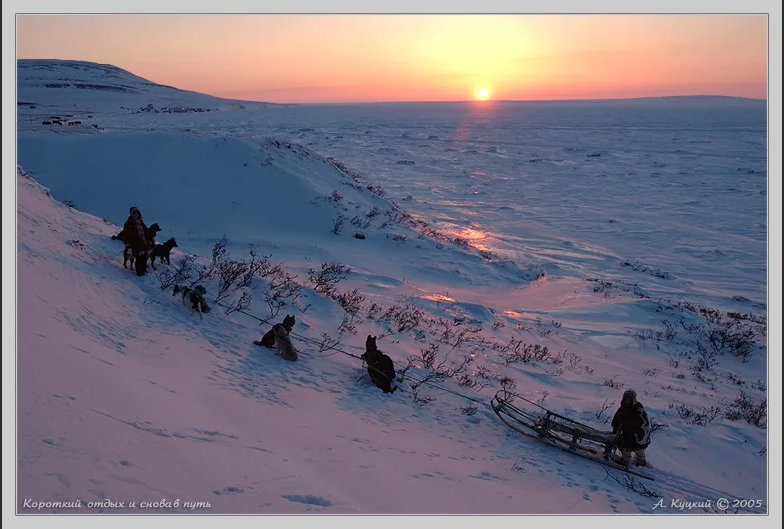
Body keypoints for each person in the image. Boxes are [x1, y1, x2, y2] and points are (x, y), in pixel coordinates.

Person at [610, 389, 651, 467]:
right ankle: (626, 460)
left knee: (637, 448)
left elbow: (639, 422)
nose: (627, 401)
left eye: (629, 399)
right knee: (626, 447)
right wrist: (615, 428)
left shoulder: (638, 409)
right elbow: (617, 419)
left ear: (633, 399)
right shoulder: (624, 407)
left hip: (638, 433)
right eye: (626, 399)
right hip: (628, 432)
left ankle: (640, 461)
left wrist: (625, 420)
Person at [123, 206, 154, 277]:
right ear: (131, 214)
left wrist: (150, 237)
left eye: (137, 212)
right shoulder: (129, 223)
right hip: (136, 243)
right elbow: (126, 234)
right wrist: (128, 244)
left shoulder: (141, 222)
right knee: (139, 256)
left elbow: (146, 231)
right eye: (134, 213)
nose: (136, 214)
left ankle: (143, 270)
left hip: (144, 242)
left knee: (145, 255)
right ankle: (140, 272)